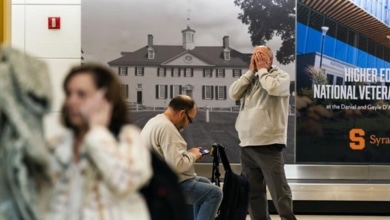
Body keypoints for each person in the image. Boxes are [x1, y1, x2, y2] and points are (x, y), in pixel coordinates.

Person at [44, 63, 152, 220]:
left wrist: (96, 132)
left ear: (105, 98)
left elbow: (124, 183)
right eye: (69, 93)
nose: (71, 101)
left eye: (81, 94)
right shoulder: (56, 145)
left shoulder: (128, 138)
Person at [229, 45, 297, 220]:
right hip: (246, 144)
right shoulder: (250, 79)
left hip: (268, 143)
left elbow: (272, 88)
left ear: (270, 59)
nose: (257, 58)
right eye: (254, 55)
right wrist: (250, 73)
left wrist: (261, 71)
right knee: (252, 191)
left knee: (278, 190)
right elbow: (233, 93)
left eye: (261, 55)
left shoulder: (280, 76)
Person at [141, 95, 223, 220]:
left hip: (154, 180)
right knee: (214, 193)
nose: (188, 124)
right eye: (190, 119)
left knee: (205, 183)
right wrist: (193, 155)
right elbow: (177, 166)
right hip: (168, 183)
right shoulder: (168, 129)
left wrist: (188, 153)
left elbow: (167, 156)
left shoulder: (154, 121)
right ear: (182, 113)